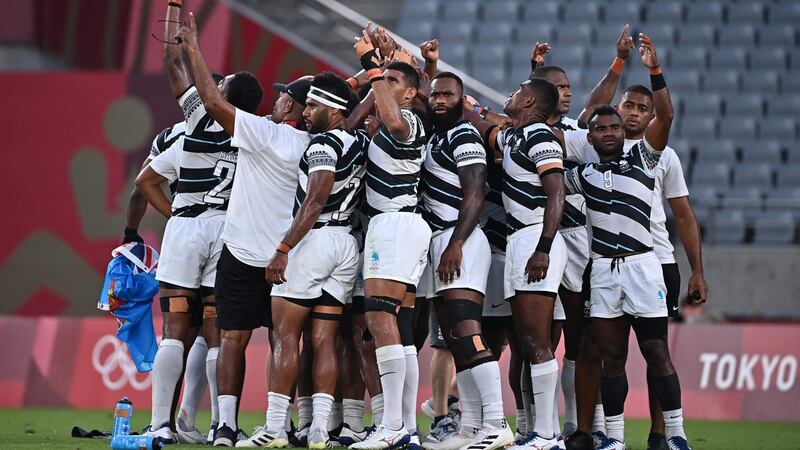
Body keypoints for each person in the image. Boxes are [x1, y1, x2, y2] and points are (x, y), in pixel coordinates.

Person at [561, 28, 707, 450]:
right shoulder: (589, 153)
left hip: (654, 261)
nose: (632, 114)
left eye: (642, 108)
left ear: (646, 116)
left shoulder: (655, 154)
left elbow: (683, 213)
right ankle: (602, 434)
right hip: (603, 262)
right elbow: (568, 131)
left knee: (655, 351)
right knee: (606, 353)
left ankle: (666, 435)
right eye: (628, 105)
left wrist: (697, 269)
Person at [174, 13, 311, 447]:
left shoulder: (265, 133)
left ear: (291, 107)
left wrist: (192, 46)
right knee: (283, 340)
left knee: (231, 337)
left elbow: (213, 103)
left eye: (283, 97)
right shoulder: (312, 144)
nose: (277, 100)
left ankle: (226, 426)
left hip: (241, 250)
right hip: (284, 256)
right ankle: (281, 424)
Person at [135, 5, 263, 444]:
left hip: (189, 226)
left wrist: (172, 9)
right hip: (228, 231)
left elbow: (172, 61)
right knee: (215, 329)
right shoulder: (254, 130)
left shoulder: (200, 116)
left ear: (221, 90)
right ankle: (219, 426)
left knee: (173, 327)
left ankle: (161, 425)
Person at [252, 72, 367, 450]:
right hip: (347, 243)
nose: (307, 111)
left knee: (285, 336)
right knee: (325, 339)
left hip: (314, 242)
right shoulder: (358, 140)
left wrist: (283, 248)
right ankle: (319, 429)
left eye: (314, 105)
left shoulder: (320, 146)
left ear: (333, 110)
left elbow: (315, 200)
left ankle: (274, 428)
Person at [420, 72, 513, 450]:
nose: (440, 99)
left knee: (468, 333)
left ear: (461, 100)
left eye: (448, 94)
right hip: (441, 241)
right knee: (456, 340)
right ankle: (470, 427)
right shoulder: (437, 137)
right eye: (436, 94)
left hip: (461, 241)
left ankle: (496, 422)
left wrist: (456, 243)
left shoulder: (463, 134)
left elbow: (475, 193)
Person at [348, 29, 431, 450]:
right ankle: (406, 428)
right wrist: (381, 64)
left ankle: (393, 426)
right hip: (399, 227)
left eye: (396, 83)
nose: (386, 87)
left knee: (380, 323)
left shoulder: (408, 121)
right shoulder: (390, 124)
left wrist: (373, 66)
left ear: (413, 93)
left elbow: (394, 118)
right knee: (399, 330)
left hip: (395, 226)